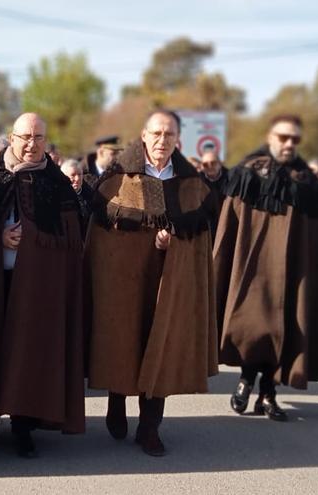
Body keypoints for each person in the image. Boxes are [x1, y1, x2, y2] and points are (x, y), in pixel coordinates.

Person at [86, 110, 220, 456]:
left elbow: (199, 239)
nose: (162, 141)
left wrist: (173, 244)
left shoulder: (193, 185)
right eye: (156, 133)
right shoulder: (117, 179)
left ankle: (150, 427)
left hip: (170, 282)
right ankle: (117, 401)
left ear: (178, 139)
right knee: (124, 339)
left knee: (160, 342)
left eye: (170, 134)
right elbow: (102, 239)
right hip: (124, 281)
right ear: (143, 135)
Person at [214, 114, 318, 421]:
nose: (289, 144)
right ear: (270, 136)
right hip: (254, 266)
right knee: (254, 327)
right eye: (283, 137)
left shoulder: (305, 178)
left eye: (295, 139)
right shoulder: (249, 171)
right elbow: (231, 222)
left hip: (292, 271)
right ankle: (246, 379)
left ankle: (268, 394)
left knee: (285, 328)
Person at [0, 113, 85, 458]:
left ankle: (23, 426)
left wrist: (35, 244)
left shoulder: (56, 185)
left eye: (39, 137)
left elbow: (70, 238)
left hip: (38, 288)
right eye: (25, 136)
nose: (31, 144)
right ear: (12, 137)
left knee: (28, 353)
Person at [60, 158, 94, 236]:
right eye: (73, 175)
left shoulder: (91, 196)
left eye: (79, 174)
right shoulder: (56, 198)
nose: (77, 179)